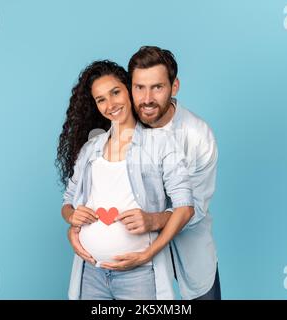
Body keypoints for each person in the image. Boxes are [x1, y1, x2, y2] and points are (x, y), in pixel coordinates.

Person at [56, 60, 195, 300]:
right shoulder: (91, 149)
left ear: (129, 90)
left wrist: (148, 253)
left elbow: (185, 208)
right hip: (92, 272)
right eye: (101, 99)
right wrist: (72, 218)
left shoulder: (161, 144)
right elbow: (68, 202)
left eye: (115, 92)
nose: (110, 104)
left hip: (138, 276)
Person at [123, 46, 221, 300]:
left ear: (174, 86)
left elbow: (195, 208)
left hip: (190, 247)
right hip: (133, 248)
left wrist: (153, 220)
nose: (146, 98)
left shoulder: (198, 135)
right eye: (139, 87)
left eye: (157, 87)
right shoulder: (120, 128)